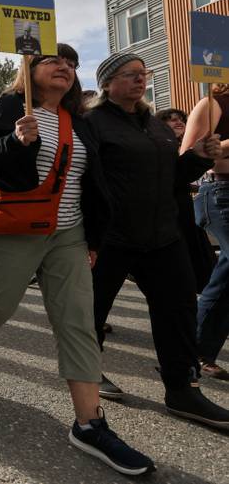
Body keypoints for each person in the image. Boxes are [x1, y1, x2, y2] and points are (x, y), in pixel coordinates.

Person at [0, 44, 156, 476]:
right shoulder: (9, 107)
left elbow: (92, 182)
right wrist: (13, 141)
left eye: (72, 63)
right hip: (13, 230)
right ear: (30, 67)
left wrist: (93, 238)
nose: (65, 67)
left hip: (68, 234)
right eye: (54, 60)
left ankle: (89, 424)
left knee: (78, 322)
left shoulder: (80, 120)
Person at [87, 53, 229, 429]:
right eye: (130, 74)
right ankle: (87, 374)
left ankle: (182, 389)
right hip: (111, 237)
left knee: (178, 310)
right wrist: (86, 237)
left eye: (143, 74)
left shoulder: (155, 126)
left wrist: (198, 157)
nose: (140, 79)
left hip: (162, 236)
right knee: (91, 311)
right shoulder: (92, 124)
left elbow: (172, 177)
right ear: (107, 83)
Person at [181, 83, 229, 381]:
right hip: (221, 192)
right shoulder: (213, 103)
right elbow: (187, 155)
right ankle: (193, 349)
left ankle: (199, 349)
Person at [155, 108, 216, 296]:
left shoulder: (179, 147)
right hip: (166, 219)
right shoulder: (157, 147)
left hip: (185, 213)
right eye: (171, 119)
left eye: (181, 119)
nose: (178, 122)